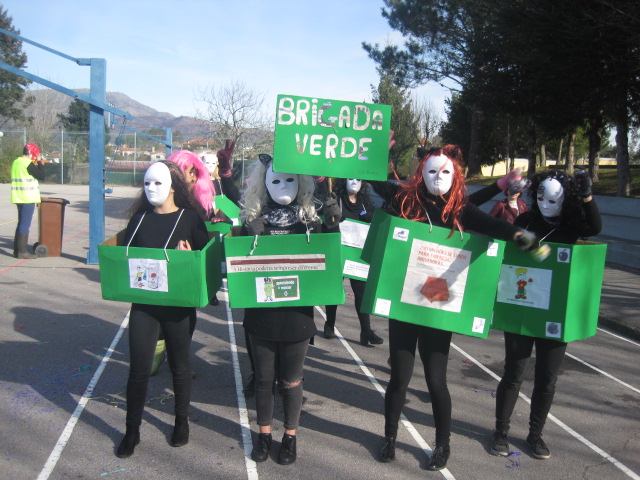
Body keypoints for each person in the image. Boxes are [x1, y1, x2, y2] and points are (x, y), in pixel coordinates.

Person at [373, 145, 537, 471]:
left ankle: (442, 444)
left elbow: (493, 226)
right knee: (399, 377)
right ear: (421, 173)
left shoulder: (459, 208)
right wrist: (375, 152)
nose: (438, 177)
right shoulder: (406, 200)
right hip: (405, 301)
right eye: (432, 171)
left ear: (456, 176)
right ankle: (389, 437)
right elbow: (375, 180)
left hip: (437, 304)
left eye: (445, 171)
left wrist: (519, 234)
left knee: (436, 380)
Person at [490, 169, 602, 460]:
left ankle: (535, 434)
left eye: (552, 199)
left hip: (555, 312)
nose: (545, 203)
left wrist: (587, 196)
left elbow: (594, 227)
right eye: (540, 197)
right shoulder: (526, 220)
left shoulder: (571, 225)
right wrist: (526, 244)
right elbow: (511, 243)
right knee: (513, 372)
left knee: (547, 379)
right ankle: (500, 432)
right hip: (523, 306)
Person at [241, 154, 341, 465]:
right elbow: (236, 266)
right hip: (261, 317)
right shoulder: (253, 221)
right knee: (263, 380)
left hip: (297, 318)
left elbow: (331, 262)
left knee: (292, 381)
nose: (283, 185)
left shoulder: (309, 222)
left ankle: (290, 437)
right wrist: (247, 234)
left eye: (289, 179)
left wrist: (332, 226)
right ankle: (263, 435)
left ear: (300, 183)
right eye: (276, 180)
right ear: (263, 183)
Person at [116, 160, 209, 458]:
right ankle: (132, 431)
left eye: (158, 182)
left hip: (177, 305)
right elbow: (125, 257)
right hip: (144, 306)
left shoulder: (190, 218)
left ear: (172, 186)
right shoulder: (139, 219)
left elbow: (205, 260)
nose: (151, 188)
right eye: (147, 183)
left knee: (180, 366)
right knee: (138, 369)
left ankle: (181, 422)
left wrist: (189, 257)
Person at [323, 178, 383, 346]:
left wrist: (371, 217)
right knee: (335, 289)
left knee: (361, 293)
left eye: (358, 179)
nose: (354, 182)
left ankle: (366, 331)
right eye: (351, 178)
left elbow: (375, 220)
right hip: (339, 252)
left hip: (357, 255)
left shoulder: (364, 202)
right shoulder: (337, 200)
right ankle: (329, 324)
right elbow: (327, 221)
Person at [10, 143, 46, 259]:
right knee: (25, 224)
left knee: (21, 223)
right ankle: (22, 252)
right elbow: (41, 175)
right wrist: (39, 162)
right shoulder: (27, 163)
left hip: (18, 196)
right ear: (31, 154)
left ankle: (17, 251)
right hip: (27, 197)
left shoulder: (17, 162)